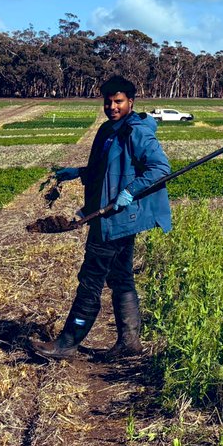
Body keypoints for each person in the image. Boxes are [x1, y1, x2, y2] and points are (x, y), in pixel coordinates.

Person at [31, 75, 172, 361]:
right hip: (108, 215)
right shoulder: (108, 130)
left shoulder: (136, 132)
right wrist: (79, 172)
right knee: (121, 277)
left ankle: (67, 344)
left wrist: (130, 192)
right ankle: (130, 342)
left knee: (91, 279)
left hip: (118, 218)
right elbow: (105, 171)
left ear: (131, 102)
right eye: (108, 102)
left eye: (118, 101)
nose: (112, 106)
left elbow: (160, 168)